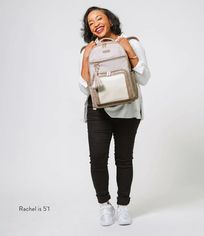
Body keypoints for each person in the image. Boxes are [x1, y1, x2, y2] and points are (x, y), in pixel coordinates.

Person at [79, 6, 151, 226]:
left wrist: (128, 49)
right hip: (98, 110)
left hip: (128, 109)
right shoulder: (88, 50)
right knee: (98, 159)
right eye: (91, 23)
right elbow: (84, 88)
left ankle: (123, 206)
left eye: (99, 18)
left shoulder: (132, 42)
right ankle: (104, 205)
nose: (96, 24)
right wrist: (87, 57)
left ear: (109, 20)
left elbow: (144, 78)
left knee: (123, 159)